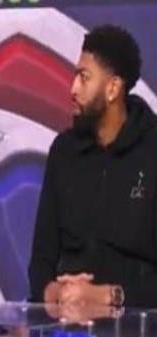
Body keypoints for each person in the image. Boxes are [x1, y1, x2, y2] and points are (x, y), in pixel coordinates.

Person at [29, 25, 157, 308]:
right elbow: (41, 260)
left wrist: (106, 297)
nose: (73, 89)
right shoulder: (64, 151)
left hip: (139, 328)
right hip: (67, 325)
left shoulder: (151, 151)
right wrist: (55, 293)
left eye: (84, 78)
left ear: (113, 88)